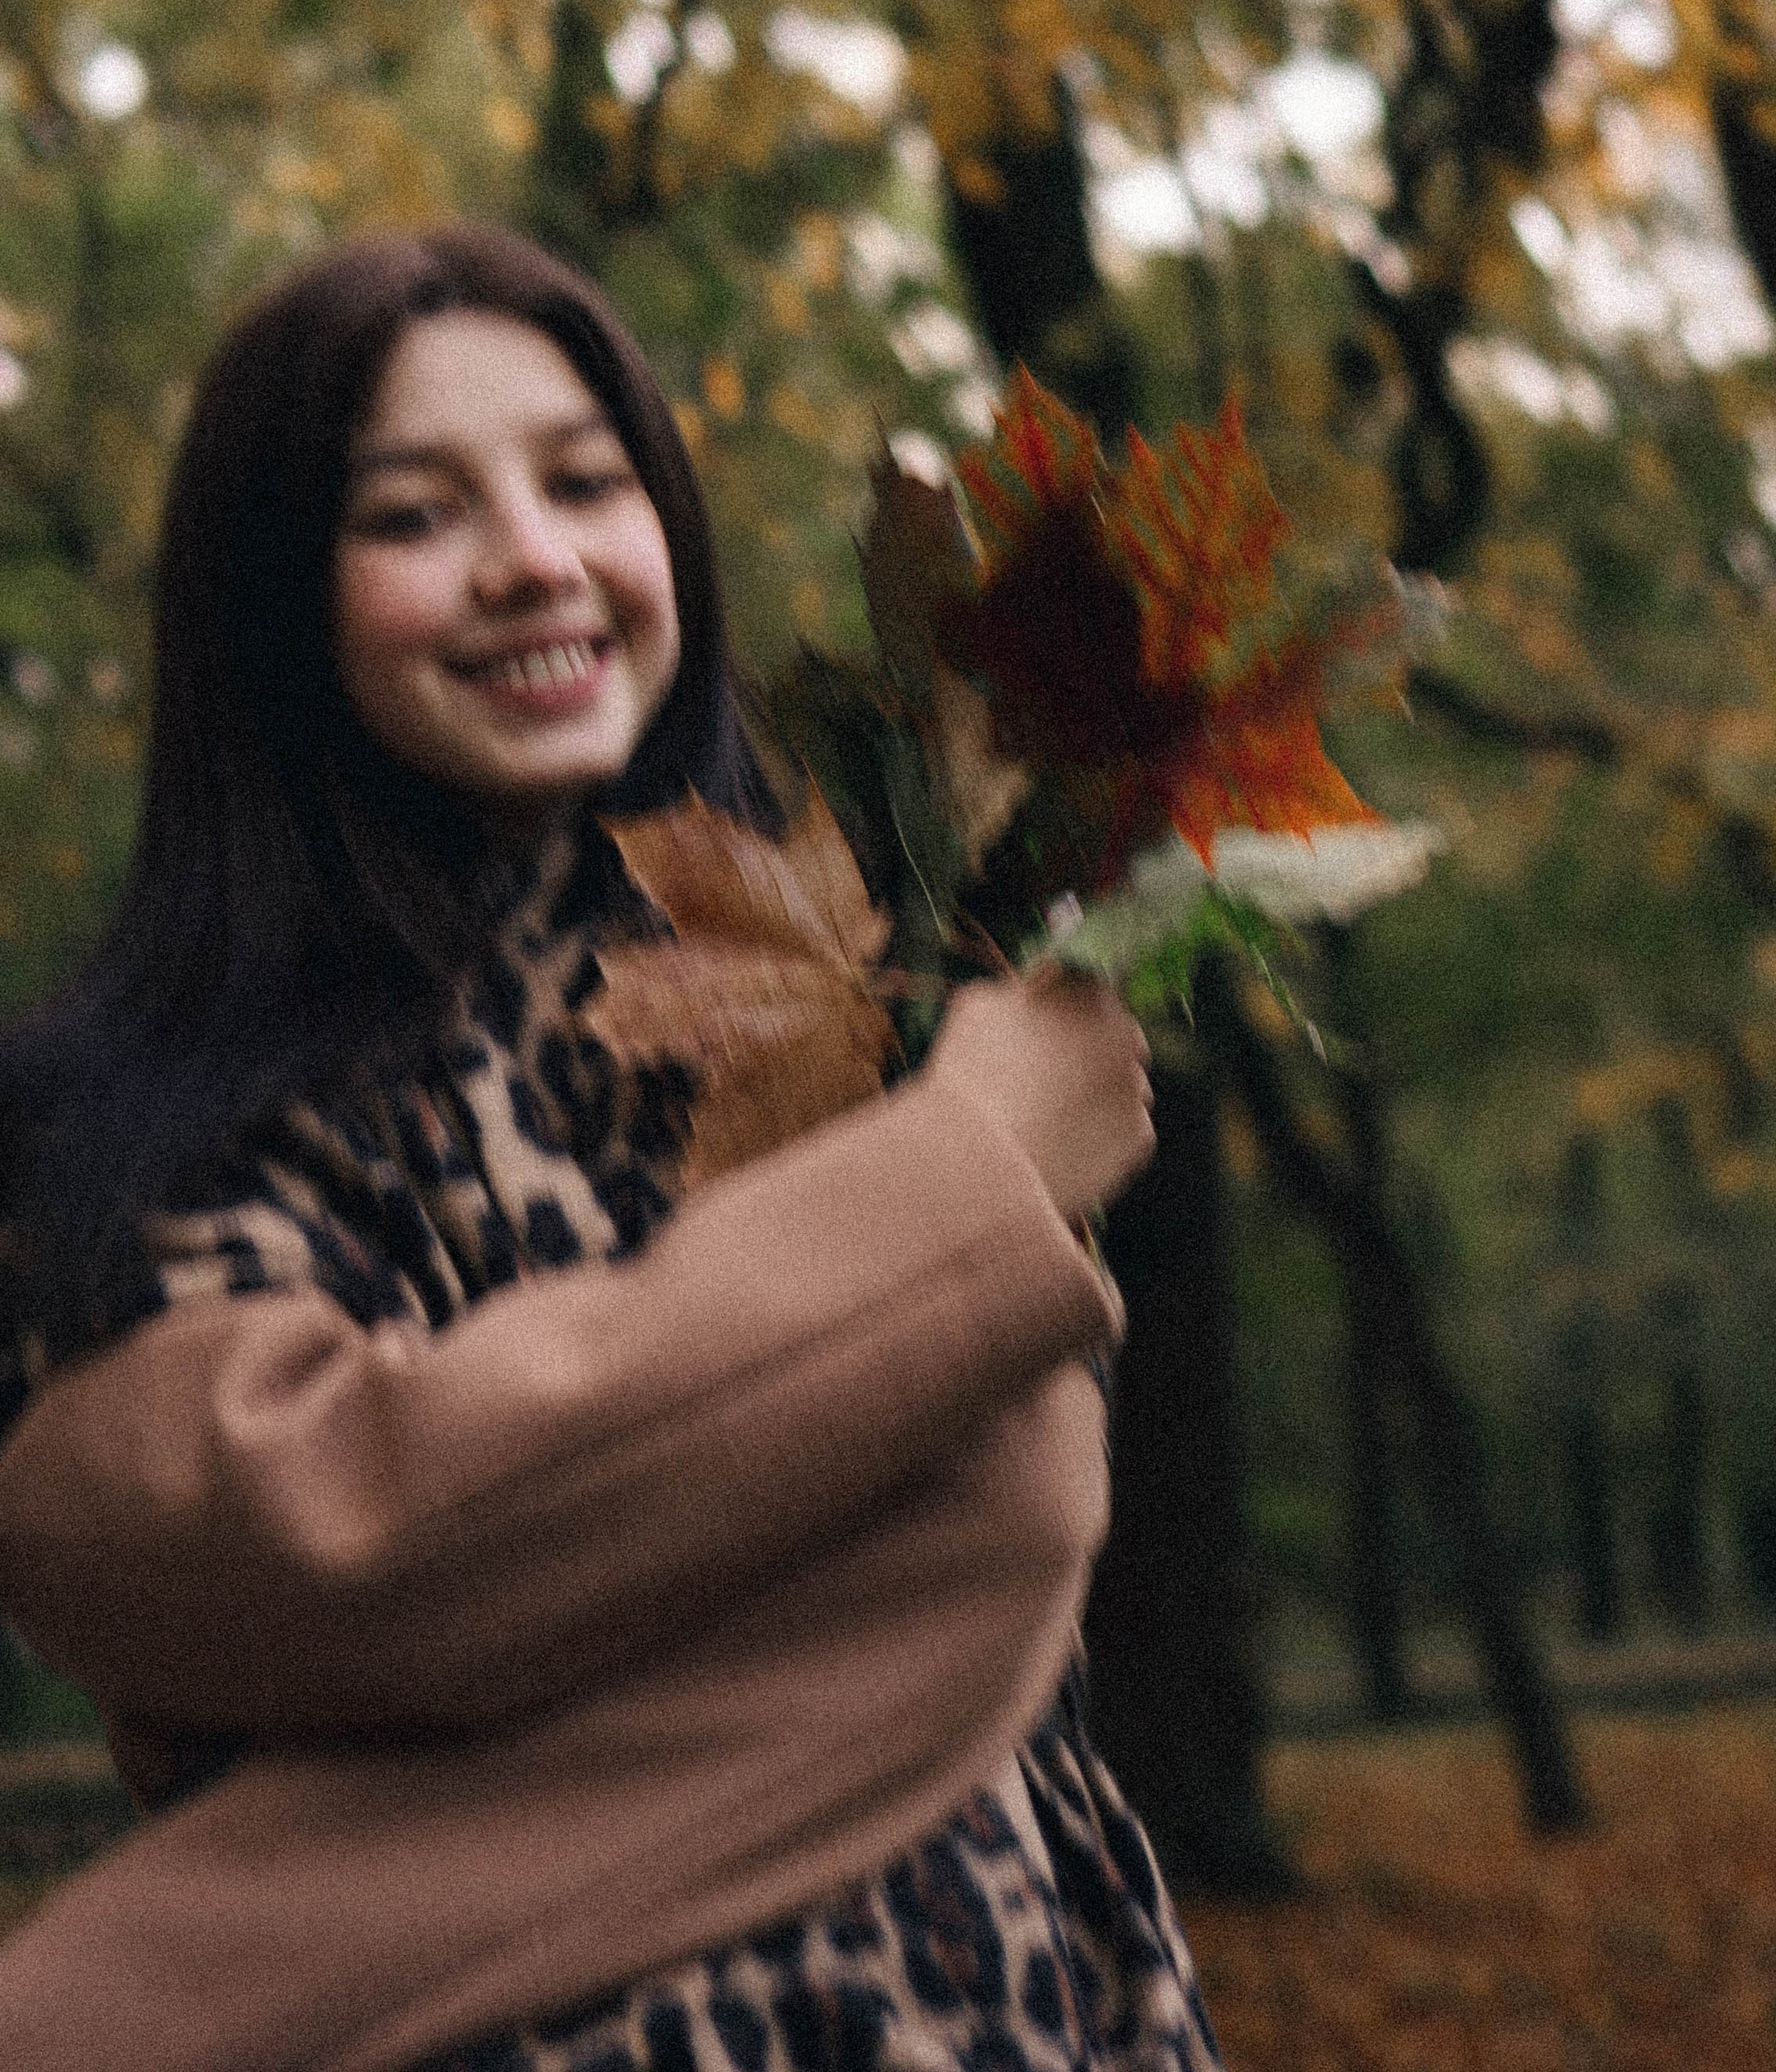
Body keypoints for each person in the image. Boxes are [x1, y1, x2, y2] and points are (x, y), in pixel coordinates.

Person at [0, 223, 1218, 2072]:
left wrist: (574, 1568)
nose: (537, 562)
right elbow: (341, 1560)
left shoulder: (867, 971)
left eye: (589, 481)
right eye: (412, 515)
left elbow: (1015, 1523)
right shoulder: (154, 1117)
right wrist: (964, 1190)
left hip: (989, 1994)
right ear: (273, 598)